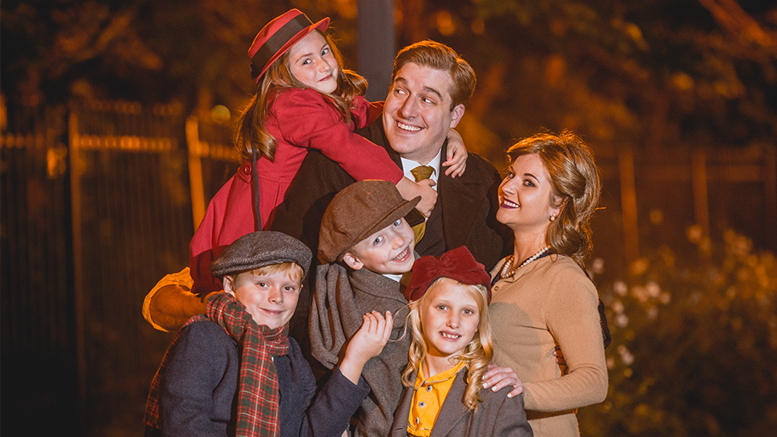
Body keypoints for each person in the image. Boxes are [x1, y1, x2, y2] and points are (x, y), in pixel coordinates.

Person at [189, 9, 469, 299]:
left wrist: (446, 129)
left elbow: (379, 113)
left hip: (290, 201)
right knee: (250, 286)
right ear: (282, 74)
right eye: (306, 61)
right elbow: (345, 146)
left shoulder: (321, 97)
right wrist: (406, 188)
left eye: (324, 52)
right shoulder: (290, 103)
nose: (323, 65)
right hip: (263, 211)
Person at [143, 231, 392, 437]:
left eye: (289, 287)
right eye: (262, 284)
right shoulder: (203, 337)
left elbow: (313, 432)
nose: (277, 297)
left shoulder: (290, 353)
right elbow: (183, 422)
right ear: (230, 286)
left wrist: (355, 360)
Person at [483, 132, 608, 437]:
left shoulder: (562, 277)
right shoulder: (501, 268)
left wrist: (519, 392)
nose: (507, 186)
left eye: (528, 183)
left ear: (559, 205)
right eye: (511, 175)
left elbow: (594, 381)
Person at [309, 180, 420, 437]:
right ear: (353, 260)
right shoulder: (377, 316)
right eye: (379, 239)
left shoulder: (416, 271)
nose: (398, 241)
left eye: (397, 223)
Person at [390, 246, 534, 437]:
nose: (453, 322)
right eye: (442, 307)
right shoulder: (397, 377)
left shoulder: (495, 392)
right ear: (420, 311)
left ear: (478, 323)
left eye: (467, 311)